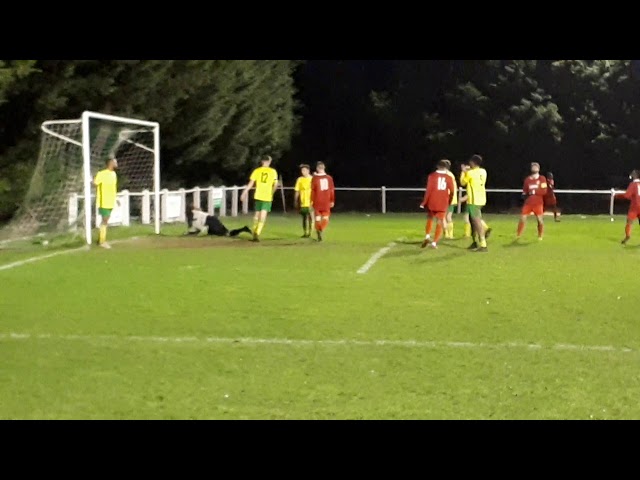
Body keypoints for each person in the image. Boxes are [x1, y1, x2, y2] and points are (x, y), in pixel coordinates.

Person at [240, 155, 278, 242]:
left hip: (258, 195)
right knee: (263, 215)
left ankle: (254, 231)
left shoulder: (256, 171)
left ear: (262, 161)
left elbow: (250, 183)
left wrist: (244, 192)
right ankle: (258, 232)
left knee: (256, 215)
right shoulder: (273, 171)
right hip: (267, 196)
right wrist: (272, 193)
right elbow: (275, 184)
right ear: (268, 162)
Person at [420, 160, 455, 249]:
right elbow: (452, 191)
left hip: (432, 201)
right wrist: (449, 201)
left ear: (437, 166)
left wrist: (424, 202)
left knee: (430, 218)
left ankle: (427, 236)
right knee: (439, 221)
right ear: (445, 168)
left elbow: (429, 190)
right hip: (443, 202)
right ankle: (434, 243)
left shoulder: (432, 176)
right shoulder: (449, 177)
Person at [459, 154, 489, 252]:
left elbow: (463, 182)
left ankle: (483, 244)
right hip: (481, 198)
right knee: (472, 221)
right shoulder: (483, 171)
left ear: (473, 162)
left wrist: (463, 172)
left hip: (473, 200)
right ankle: (474, 241)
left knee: (476, 221)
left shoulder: (470, 173)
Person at [516, 162, 548, 241]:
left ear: (539, 169)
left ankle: (540, 235)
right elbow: (525, 191)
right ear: (531, 169)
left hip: (538, 203)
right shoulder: (527, 180)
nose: (534, 167)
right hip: (528, 203)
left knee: (540, 220)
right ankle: (518, 235)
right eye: (533, 166)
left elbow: (544, 191)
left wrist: (534, 192)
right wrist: (524, 195)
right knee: (522, 218)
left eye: (536, 166)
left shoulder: (542, 179)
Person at [92, 157, 118, 249]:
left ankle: (102, 239)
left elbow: (113, 188)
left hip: (111, 201)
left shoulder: (114, 174)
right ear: (110, 163)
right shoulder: (102, 173)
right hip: (104, 201)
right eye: (115, 162)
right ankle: (102, 241)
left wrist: (116, 199)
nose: (116, 163)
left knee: (106, 220)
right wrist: (92, 178)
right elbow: (95, 183)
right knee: (105, 220)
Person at [185, 203, 251, 237]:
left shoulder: (193, 218)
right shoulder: (195, 213)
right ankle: (243, 229)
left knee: (227, 234)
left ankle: (244, 229)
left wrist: (189, 234)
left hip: (211, 221)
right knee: (212, 233)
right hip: (211, 219)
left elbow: (200, 229)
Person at [310, 161, 335, 242]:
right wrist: (332, 200)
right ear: (324, 168)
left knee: (317, 218)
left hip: (317, 201)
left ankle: (318, 230)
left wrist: (311, 200)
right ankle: (321, 229)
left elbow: (313, 191)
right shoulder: (329, 178)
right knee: (326, 218)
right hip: (326, 201)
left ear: (317, 169)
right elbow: (332, 190)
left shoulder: (315, 178)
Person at [615, 169, 640, 245]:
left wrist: (617, 195)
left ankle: (627, 236)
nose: (631, 174)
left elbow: (627, 196)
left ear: (635, 175)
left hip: (635, 207)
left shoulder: (633, 184)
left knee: (629, 222)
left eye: (632, 173)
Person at [294, 164, 313, 238]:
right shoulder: (299, 179)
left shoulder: (312, 179)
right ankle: (305, 232)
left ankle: (310, 232)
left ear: (308, 171)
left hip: (311, 201)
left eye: (304, 170)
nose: (303, 172)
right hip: (303, 202)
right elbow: (297, 190)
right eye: (302, 170)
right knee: (304, 218)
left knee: (311, 217)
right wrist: (295, 200)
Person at [442, 159, 458, 239]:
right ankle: (450, 235)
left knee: (443, 216)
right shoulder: (451, 174)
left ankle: (446, 234)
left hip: (446, 197)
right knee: (449, 216)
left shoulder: (444, 175)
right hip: (452, 198)